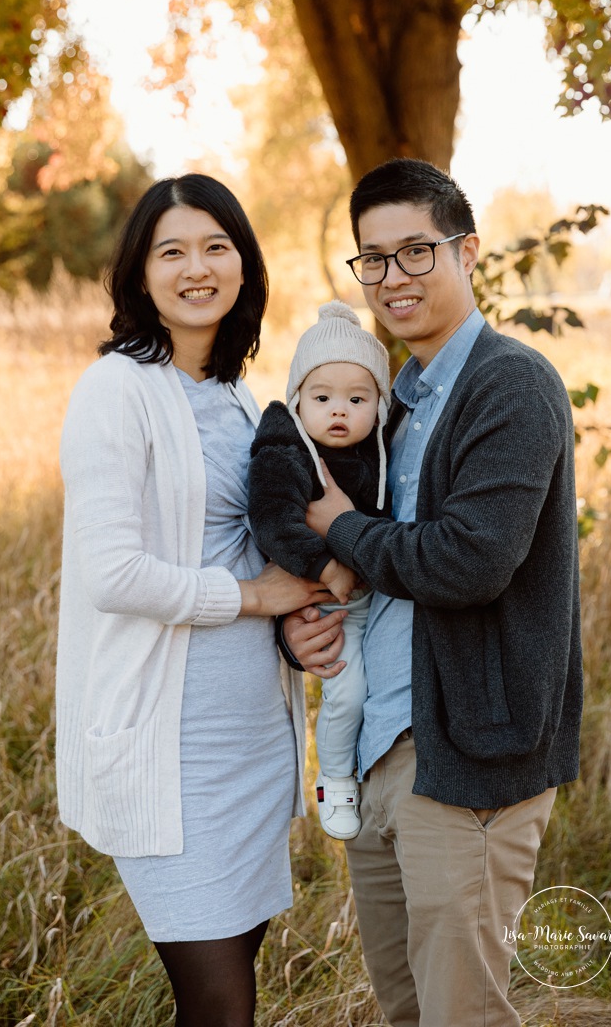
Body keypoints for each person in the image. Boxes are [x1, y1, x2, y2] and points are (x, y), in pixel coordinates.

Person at [282, 157, 583, 1027]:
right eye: (371, 259)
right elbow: (374, 570)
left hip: (466, 759)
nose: (392, 278)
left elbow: (466, 563)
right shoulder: (390, 403)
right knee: (406, 1009)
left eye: (415, 251)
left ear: (467, 252)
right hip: (381, 746)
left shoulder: (510, 385)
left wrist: (338, 525)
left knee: (463, 1013)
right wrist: (308, 621)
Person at [55, 173, 336, 1027]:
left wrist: (294, 625)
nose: (196, 267)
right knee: (222, 1010)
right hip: (168, 753)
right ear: (140, 275)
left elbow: (246, 546)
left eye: (216, 246)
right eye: (170, 250)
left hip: (250, 743)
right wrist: (257, 599)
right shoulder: (117, 390)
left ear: (244, 266)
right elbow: (114, 574)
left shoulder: (235, 396)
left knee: (219, 1000)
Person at [248, 299, 391, 840]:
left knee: (383, 692)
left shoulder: (381, 447)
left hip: (383, 595)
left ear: (378, 405)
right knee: (347, 692)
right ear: (297, 399)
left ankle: (370, 773)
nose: (339, 411)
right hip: (327, 602)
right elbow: (272, 521)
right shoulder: (286, 450)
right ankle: (334, 779)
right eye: (322, 397)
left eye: (356, 399)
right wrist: (326, 566)